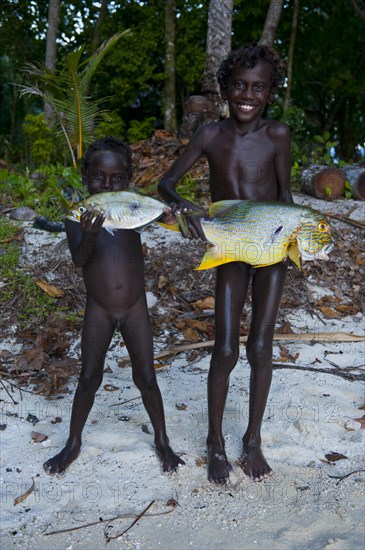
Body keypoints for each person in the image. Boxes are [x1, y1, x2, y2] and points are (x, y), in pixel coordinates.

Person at [158, 44, 293, 484]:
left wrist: (293, 247)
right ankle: (215, 442)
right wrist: (187, 210)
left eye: (258, 88)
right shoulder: (210, 136)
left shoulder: (277, 136)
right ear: (225, 88)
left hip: (271, 251)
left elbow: (287, 198)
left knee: (260, 347)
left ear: (270, 93)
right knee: (226, 348)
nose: (247, 95)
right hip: (232, 247)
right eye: (239, 86)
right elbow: (167, 183)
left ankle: (252, 440)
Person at [44, 136, 184, 475]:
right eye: (98, 176)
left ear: (128, 179)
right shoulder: (76, 216)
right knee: (89, 377)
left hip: (135, 307)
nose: (106, 184)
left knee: (146, 377)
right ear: (85, 177)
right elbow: (79, 259)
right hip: (100, 309)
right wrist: (90, 234)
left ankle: (162, 441)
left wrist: (171, 214)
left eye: (116, 178)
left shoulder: (132, 210)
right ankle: (73, 443)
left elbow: (165, 219)